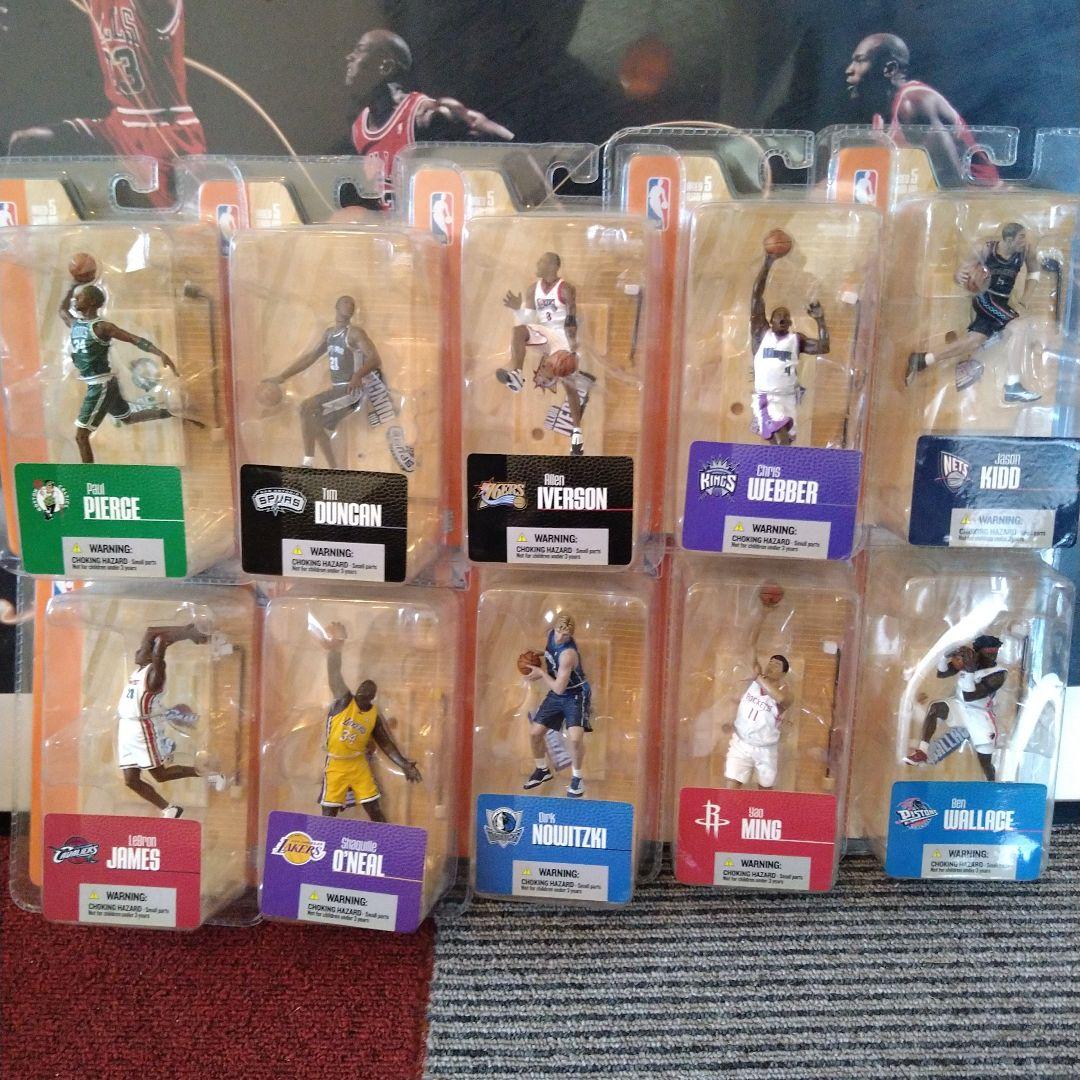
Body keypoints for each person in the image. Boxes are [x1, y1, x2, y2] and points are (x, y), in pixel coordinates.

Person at [7, 1, 206, 206]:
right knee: (25, 142)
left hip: (164, 132)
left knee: (174, 220)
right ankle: (14, 214)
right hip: (117, 125)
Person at [346, 28, 513, 207]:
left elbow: (511, 145)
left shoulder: (426, 114)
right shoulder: (358, 130)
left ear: (385, 67)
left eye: (359, 50)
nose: (349, 57)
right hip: (397, 224)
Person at [261, 295, 412, 472]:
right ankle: (334, 468)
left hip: (351, 391)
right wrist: (282, 377)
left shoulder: (355, 333)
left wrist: (358, 375)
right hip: (338, 390)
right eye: (346, 302)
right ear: (336, 306)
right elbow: (310, 358)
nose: (350, 305)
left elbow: (375, 359)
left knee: (306, 407)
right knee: (315, 424)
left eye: (352, 303)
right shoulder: (330, 334)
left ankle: (308, 462)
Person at [59, 281, 195, 464]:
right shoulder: (75, 323)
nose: (75, 300)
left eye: (80, 297)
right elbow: (62, 310)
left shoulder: (101, 327)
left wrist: (160, 353)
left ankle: (89, 477)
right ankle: (175, 412)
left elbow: (133, 338)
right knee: (127, 418)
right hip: (105, 384)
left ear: (91, 301)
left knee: (81, 436)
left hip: (100, 385)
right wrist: (73, 285)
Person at [905, 223, 1042, 402]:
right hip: (985, 298)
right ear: (1008, 240)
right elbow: (960, 273)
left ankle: (923, 359)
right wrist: (959, 276)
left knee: (974, 341)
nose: (1025, 240)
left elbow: (1034, 271)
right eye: (1021, 237)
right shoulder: (985, 249)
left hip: (1002, 302)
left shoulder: (1025, 251)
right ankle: (1012, 386)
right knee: (1019, 327)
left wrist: (1025, 298)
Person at [844, 32, 998, 185]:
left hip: (982, 196)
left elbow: (950, 186)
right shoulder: (880, 117)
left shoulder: (914, 104)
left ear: (890, 69)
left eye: (860, 60)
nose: (849, 70)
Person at [117, 622, 226, 818]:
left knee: (160, 775)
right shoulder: (140, 669)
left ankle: (210, 774)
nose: (137, 652)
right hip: (125, 727)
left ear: (153, 655)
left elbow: (160, 642)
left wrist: (171, 640)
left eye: (143, 650)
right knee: (130, 780)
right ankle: (170, 809)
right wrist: (186, 631)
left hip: (141, 728)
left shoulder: (154, 677)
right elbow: (150, 632)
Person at [315, 622, 421, 822]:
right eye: (362, 687)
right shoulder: (345, 701)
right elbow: (335, 676)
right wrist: (335, 650)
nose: (363, 690)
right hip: (336, 762)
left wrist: (404, 764)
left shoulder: (372, 715)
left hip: (357, 763)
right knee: (329, 809)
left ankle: (384, 835)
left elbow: (387, 744)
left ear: (372, 697)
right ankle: (325, 837)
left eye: (368, 690)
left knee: (372, 805)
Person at [496, 252, 587, 456]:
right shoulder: (532, 289)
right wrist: (516, 309)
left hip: (562, 338)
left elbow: (571, 318)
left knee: (569, 385)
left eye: (542, 261)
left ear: (554, 265)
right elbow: (528, 319)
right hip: (545, 333)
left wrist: (572, 348)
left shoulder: (565, 288)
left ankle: (577, 434)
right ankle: (516, 374)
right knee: (519, 331)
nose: (537, 264)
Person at [748, 247, 829, 446]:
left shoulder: (795, 340)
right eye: (779, 316)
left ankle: (772, 465)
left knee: (784, 443)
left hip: (788, 399)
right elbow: (756, 296)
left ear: (791, 322)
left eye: (786, 317)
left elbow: (823, 347)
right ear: (771, 320)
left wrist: (820, 321)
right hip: (768, 398)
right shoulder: (761, 334)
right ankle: (783, 463)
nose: (783, 319)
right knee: (782, 441)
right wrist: (768, 261)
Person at [903, 635, 1007, 781]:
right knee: (935, 708)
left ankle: (991, 782)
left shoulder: (999, 673)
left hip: (979, 714)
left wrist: (969, 670)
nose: (991, 656)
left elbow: (970, 696)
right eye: (988, 653)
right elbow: (942, 673)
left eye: (994, 653)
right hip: (959, 706)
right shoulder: (970, 660)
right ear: (978, 651)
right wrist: (946, 656)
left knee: (985, 761)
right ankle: (922, 751)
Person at [521, 613, 592, 798]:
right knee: (535, 733)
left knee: (575, 737)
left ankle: (577, 778)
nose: (560, 637)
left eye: (565, 635)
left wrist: (540, 673)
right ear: (554, 628)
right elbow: (551, 653)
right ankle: (542, 770)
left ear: (571, 635)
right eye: (559, 632)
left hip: (575, 693)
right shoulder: (550, 634)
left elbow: (559, 688)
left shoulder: (568, 655)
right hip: (558, 691)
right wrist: (539, 653)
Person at [724, 610, 793, 790]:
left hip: (766, 749)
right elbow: (751, 645)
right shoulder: (756, 678)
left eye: (777, 665)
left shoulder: (785, 692)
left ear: (783, 673)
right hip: (741, 743)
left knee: (764, 793)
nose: (771, 665)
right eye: (770, 662)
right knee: (730, 789)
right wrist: (763, 614)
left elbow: (781, 699)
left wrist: (757, 678)